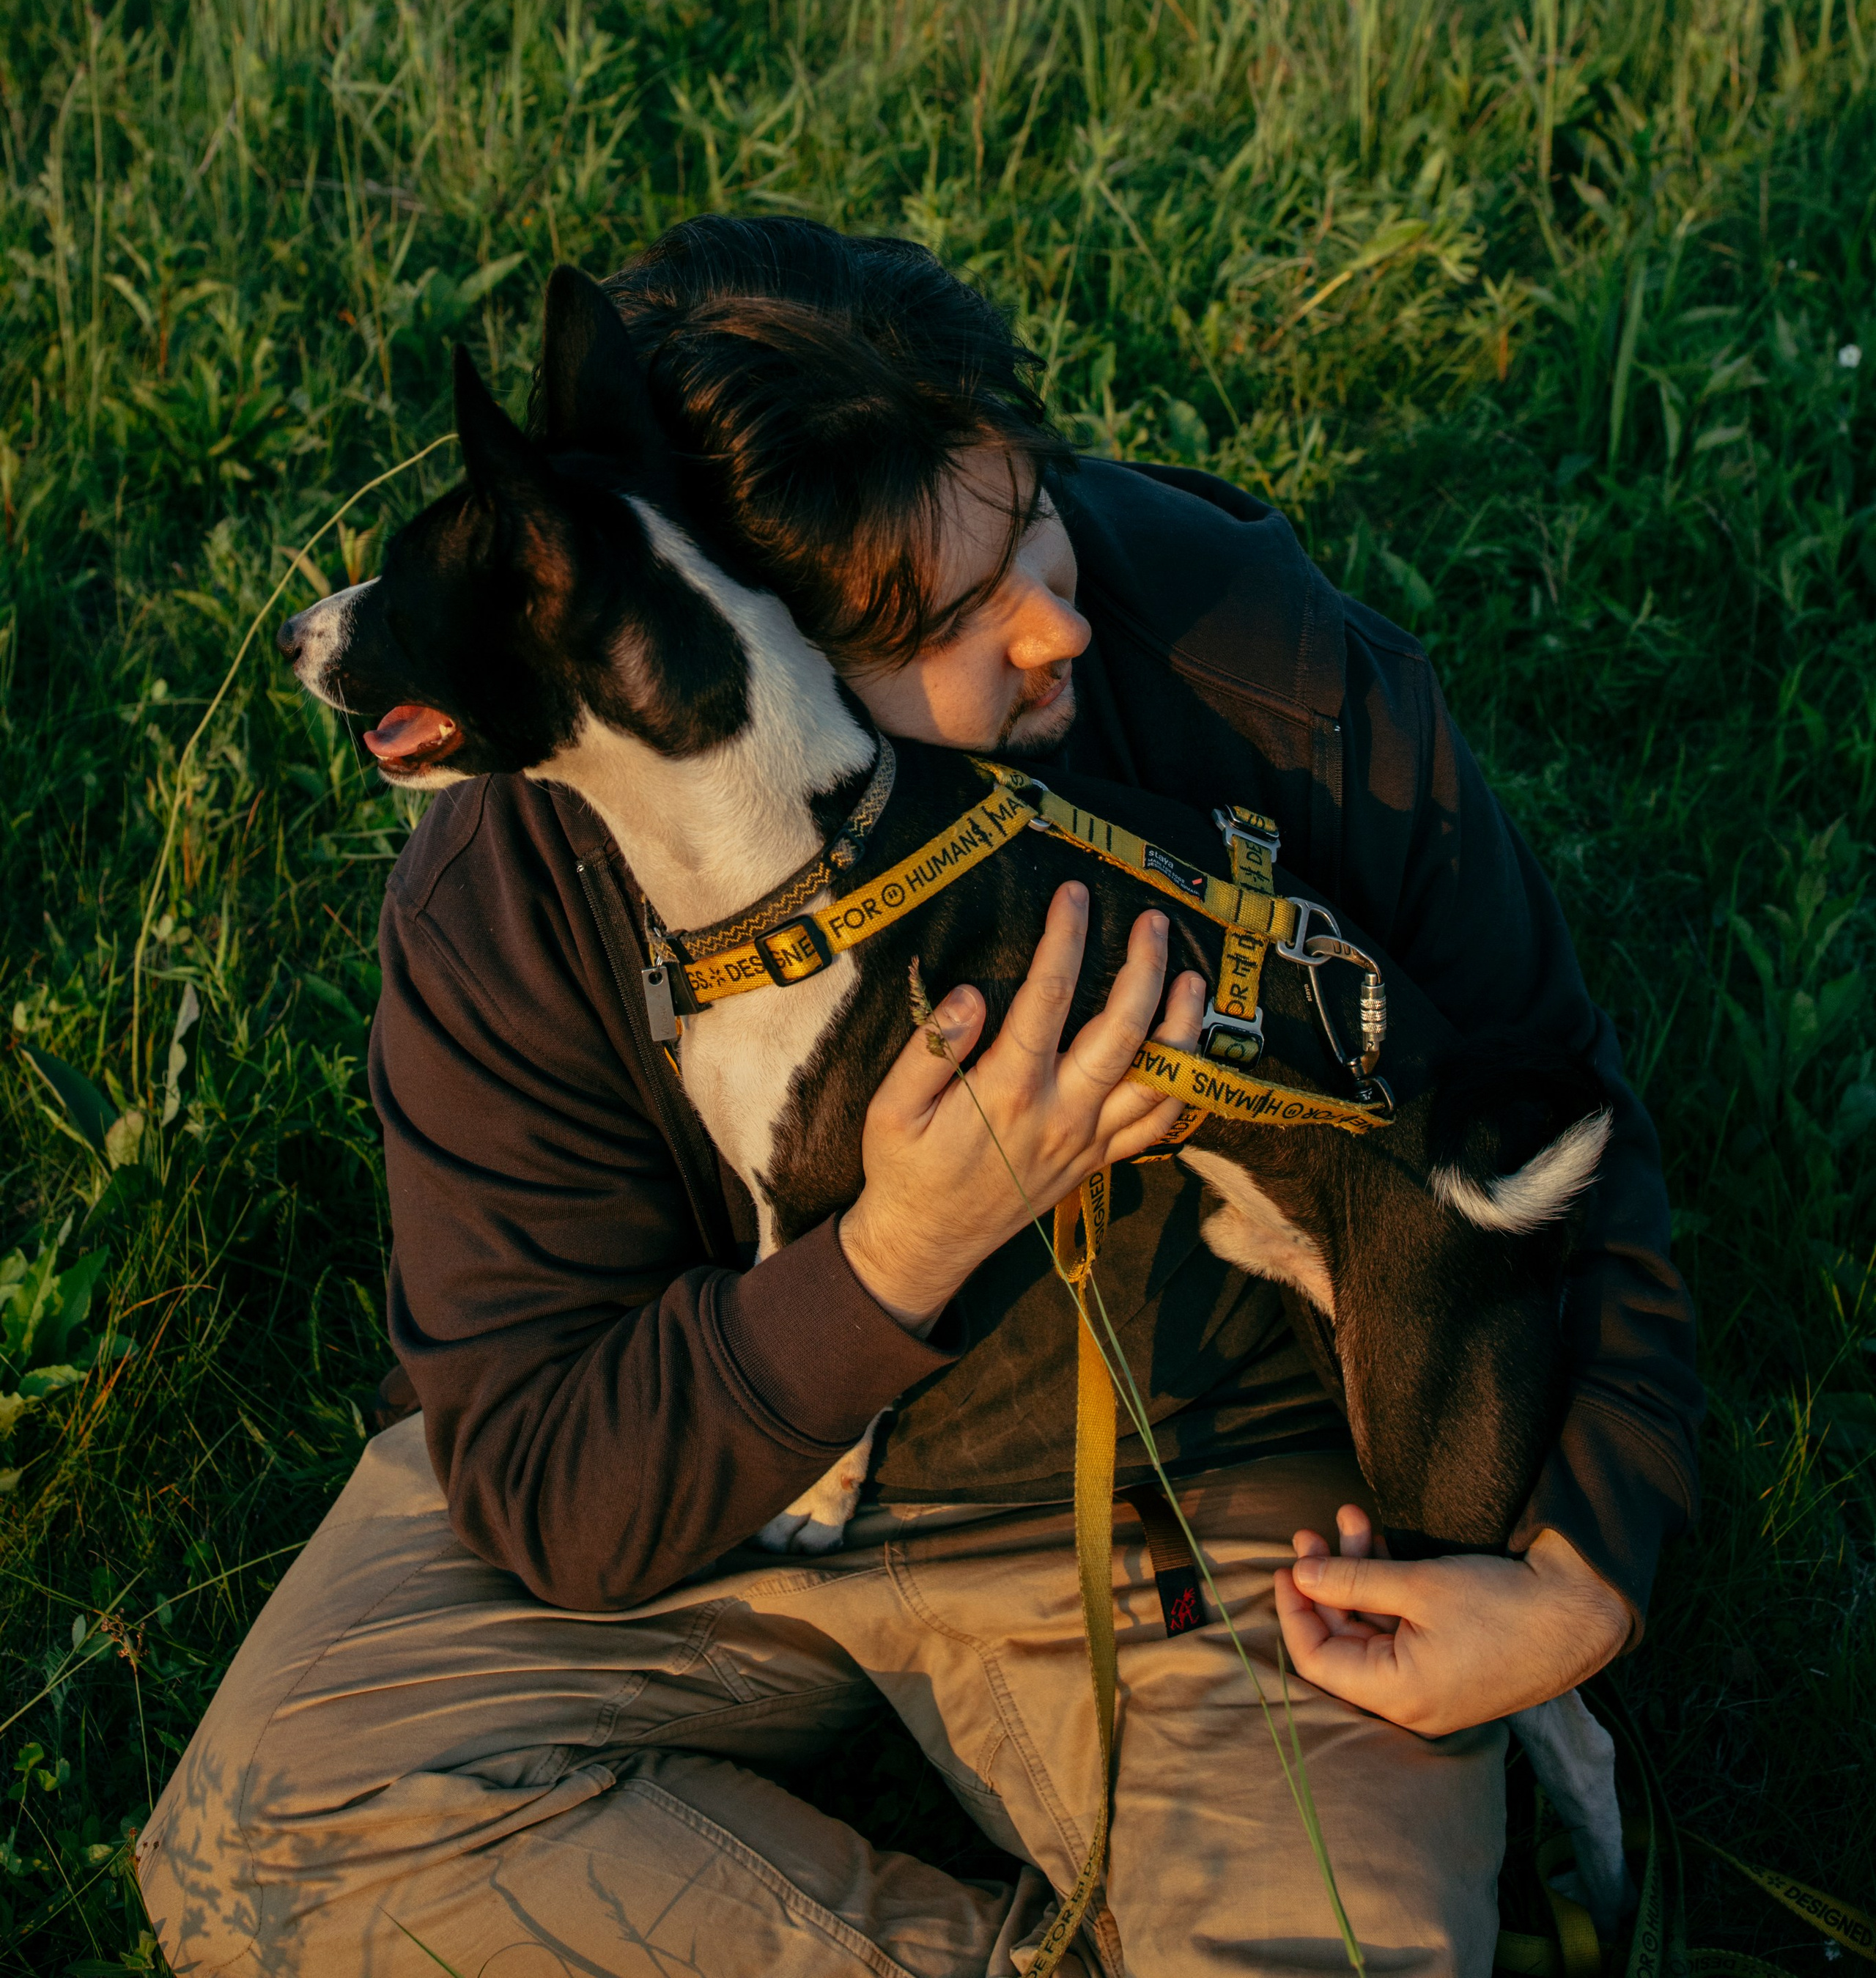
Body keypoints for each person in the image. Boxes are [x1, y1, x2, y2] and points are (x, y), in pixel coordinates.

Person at [138, 218, 1700, 1978]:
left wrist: (1580, 1569)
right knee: (258, 1842)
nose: (1058, 618)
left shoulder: (1251, 666)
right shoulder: (510, 896)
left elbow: (1558, 1116)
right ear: (736, 653)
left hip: (1205, 1516)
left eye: (1025, 508)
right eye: (955, 619)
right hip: (710, 1488)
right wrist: (889, 1255)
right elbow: (539, 1464)